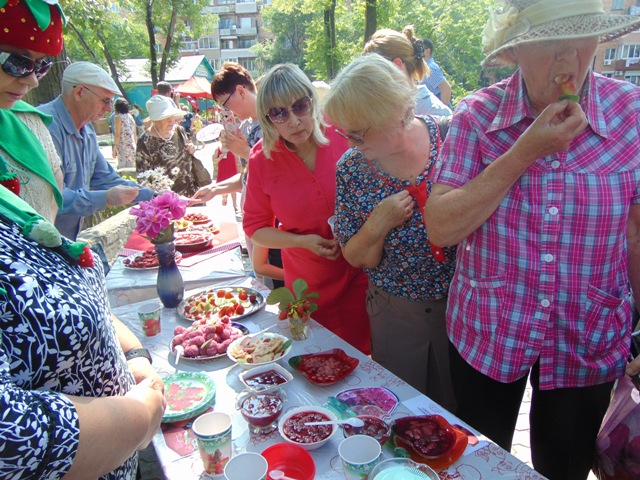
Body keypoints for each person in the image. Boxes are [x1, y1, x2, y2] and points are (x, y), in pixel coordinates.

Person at [423, 1, 640, 478]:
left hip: (588, 334)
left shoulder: (632, 113)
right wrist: (526, 151)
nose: (568, 63)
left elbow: (637, 233)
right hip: (490, 330)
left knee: (565, 466)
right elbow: (440, 226)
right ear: (516, 51)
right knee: (481, 463)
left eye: (580, 43)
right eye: (550, 47)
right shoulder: (476, 116)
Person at [0, 185, 165, 480]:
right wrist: (141, 419)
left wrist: (135, 355)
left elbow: (74, 302)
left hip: (121, 458)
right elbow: (12, 437)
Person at [324, 53, 456, 409]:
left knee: (466, 422)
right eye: (344, 132)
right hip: (394, 315)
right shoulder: (352, 168)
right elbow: (354, 256)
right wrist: (377, 223)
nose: (350, 142)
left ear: (395, 112)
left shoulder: (452, 138)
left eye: (358, 131)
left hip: (464, 312)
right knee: (403, 414)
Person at [242, 63, 370, 354]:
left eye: (300, 106)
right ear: (267, 118)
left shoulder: (342, 133)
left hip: (359, 274)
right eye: (279, 113)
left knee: (365, 363)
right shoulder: (262, 159)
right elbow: (255, 229)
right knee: (315, 363)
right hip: (307, 286)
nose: (294, 121)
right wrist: (301, 242)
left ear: (313, 100)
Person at [191, 62, 285, 289]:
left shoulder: (274, 120)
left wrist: (244, 152)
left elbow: (280, 174)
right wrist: (216, 188)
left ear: (241, 91)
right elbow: (249, 177)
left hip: (275, 223)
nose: (227, 112)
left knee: (282, 288)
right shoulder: (247, 126)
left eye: (225, 104)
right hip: (258, 223)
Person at [39, 62, 154, 240]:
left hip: (65, 239)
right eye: (106, 100)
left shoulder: (88, 130)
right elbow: (51, 196)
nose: (109, 109)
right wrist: (105, 198)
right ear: (79, 92)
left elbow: (105, 178)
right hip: (39, 243)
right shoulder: (45, 126)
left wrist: (156, 196)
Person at [0, 0, 64, 224]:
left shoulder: (28, 119)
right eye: (17, 63)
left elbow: (52, 195)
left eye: (41, 67)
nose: (33, 81)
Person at [363, 26, 451, 117]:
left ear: (396, 65)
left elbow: (446, 88)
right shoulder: (375, 109)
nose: (369, 79)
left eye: (374, 71)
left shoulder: (439, 114)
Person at [136, 95, 202, 197]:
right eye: (166, 117)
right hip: (166, 199)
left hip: (190, 192)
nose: (172, 120)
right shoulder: (145, 141)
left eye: (172, 116)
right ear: (155, 120)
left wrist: (191, 149)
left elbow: (187, 155)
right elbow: (143, 177)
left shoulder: (179, 131)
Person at [419, 38, 452, 106]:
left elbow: (446, 88)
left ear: (427, 51)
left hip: (438, 113)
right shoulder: (426, 68)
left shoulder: (430, 68)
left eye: (419, 50)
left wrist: (442, 112)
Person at [112, 98, 137, 169]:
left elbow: (117, 135)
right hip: (132, 147)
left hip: (123, 147)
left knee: (123, 170)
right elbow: (135, 135)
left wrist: (114, 148)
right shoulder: (131, 117)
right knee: (132, 169)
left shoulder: (118, 117)